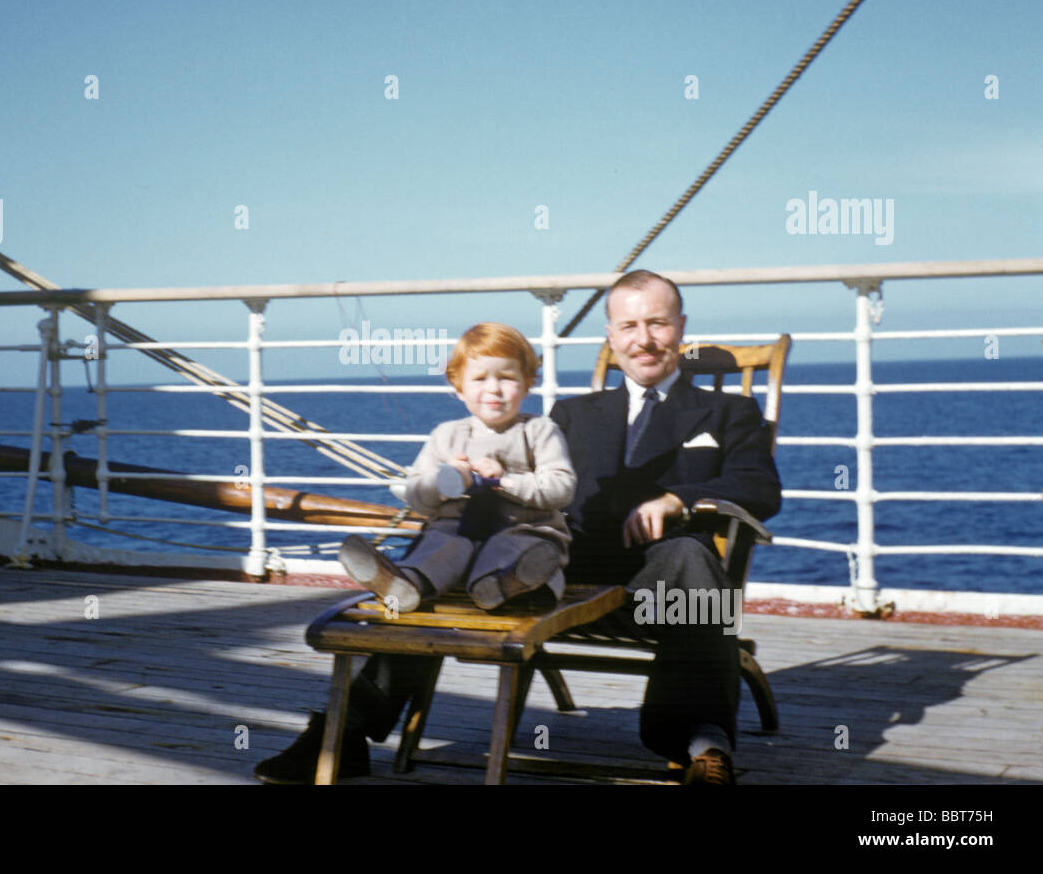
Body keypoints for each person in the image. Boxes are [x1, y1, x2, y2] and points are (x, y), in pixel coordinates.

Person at [254, 270, 781, 785]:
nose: (644, 340)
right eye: (628, 327)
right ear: (611, 337)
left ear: (681, 327)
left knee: (695, 564)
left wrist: (676, 499)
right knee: (445, 544)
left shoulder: (727, 412)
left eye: (658, 324)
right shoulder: (573, 413)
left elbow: (760, 487)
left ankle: (702, 745)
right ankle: (345, 732)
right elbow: (533, 485)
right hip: (558, 558)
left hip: (659, 568)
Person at [337, 322, 574, 613]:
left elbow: (561, 489)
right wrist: (442, 481)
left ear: (527, 383)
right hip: (459, 532)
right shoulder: (446, 435)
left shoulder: (539, 430)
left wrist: (505, 480)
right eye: (480, 379)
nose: (494, 389)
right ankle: (403, 584)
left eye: (507, 377)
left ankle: (504, 583)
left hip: (522, 529)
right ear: (459, 387)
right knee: (441, 545)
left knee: (514, 547)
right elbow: (415, 495)